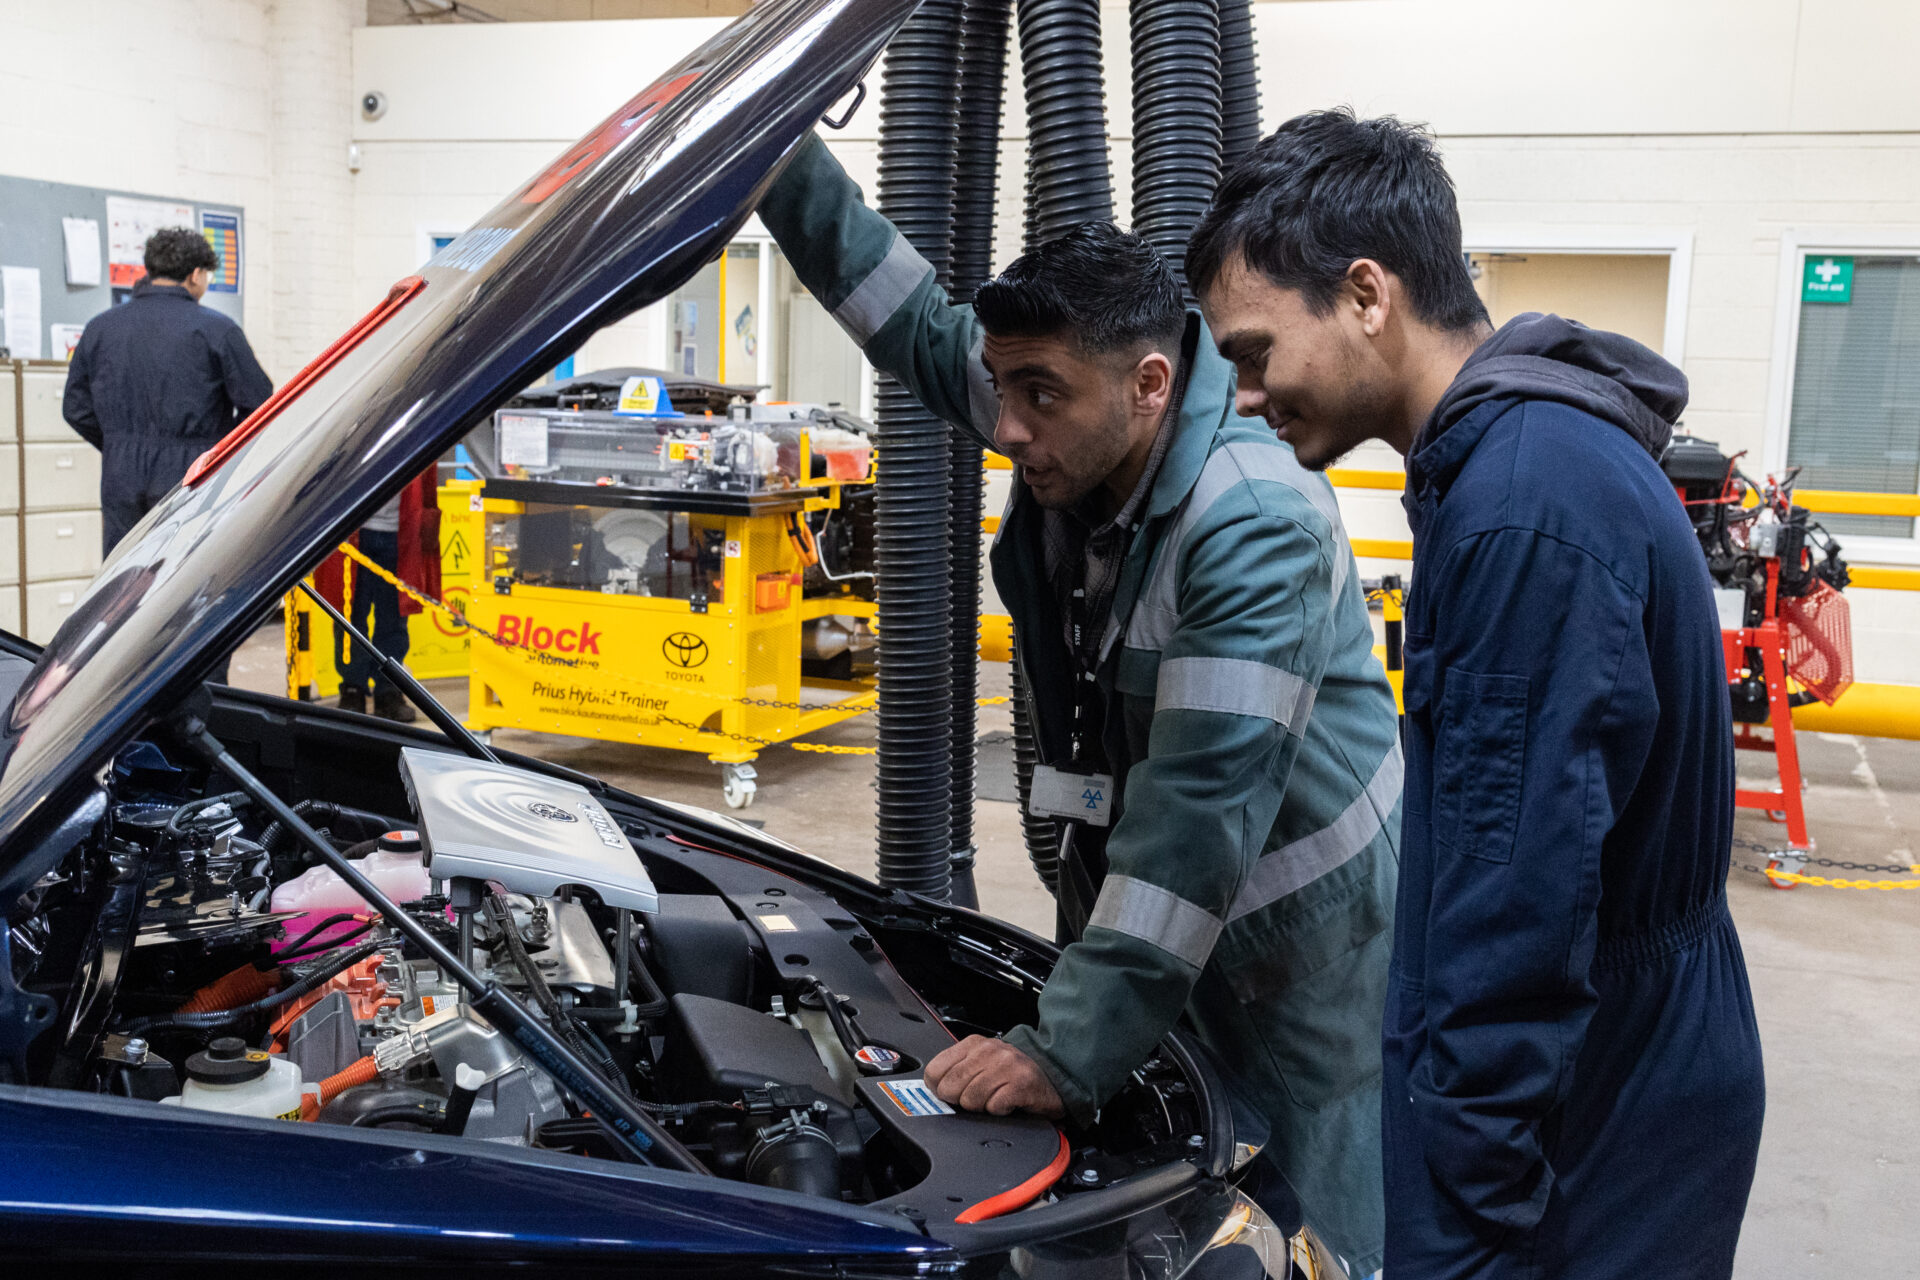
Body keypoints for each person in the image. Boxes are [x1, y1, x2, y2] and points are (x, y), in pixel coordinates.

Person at [758, 134, 1402, 1274]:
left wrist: (1062, 1048)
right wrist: (772, 160)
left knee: (1310, 1231)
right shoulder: (1070, 395)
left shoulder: (1252, 522)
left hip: (1296, 951)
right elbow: (909, 314)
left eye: (1035, 396)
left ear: (1150, 385)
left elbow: (1194, 825)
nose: (1006, 428)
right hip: (1152, 917)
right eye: (1004, 387)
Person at [1186, 108, 1765, 1277]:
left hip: (1593, 1103)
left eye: (1253, 352)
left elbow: (1515, 922)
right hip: (1623, 1057)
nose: (1245, 396)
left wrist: (1470, 1226)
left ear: (1365, 294)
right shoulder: (1518, 462)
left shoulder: (1521, 510)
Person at [63, 227, 273, 554]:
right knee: (187, 579)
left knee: (124, 581)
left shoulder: (100, 328)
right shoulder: (217, 329)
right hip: (192, 473)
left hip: (122, 473)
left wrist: (119, 443)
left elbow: (75, 408)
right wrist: (217, 451)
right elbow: (261, 404)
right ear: (195, 275)